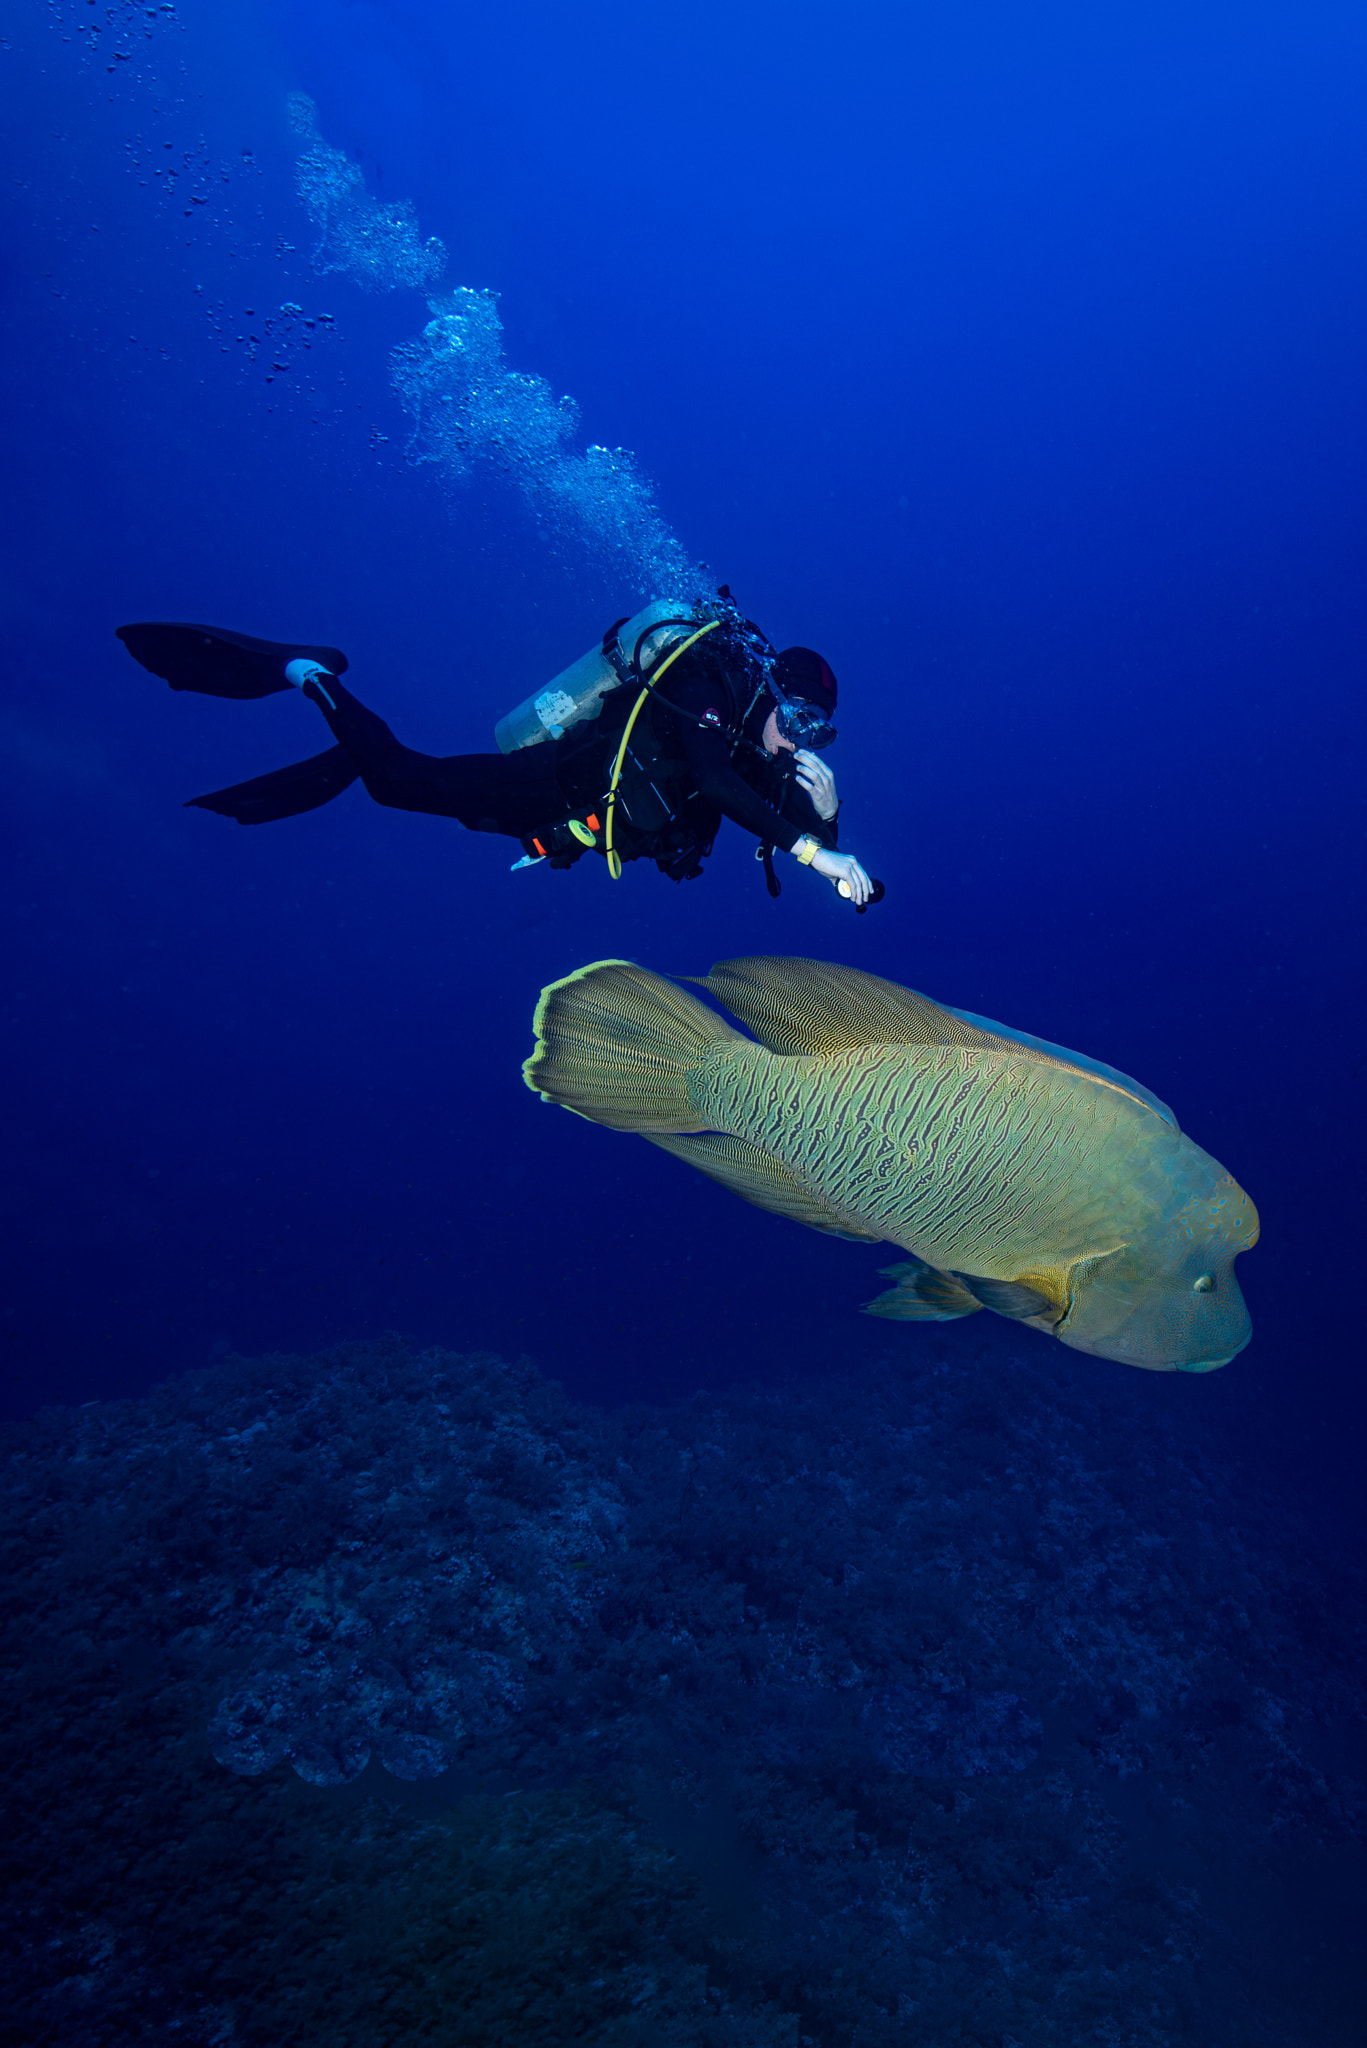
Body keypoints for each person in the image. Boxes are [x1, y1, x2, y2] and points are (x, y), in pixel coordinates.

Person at [115, 595, 876, 904]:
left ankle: (359, 752)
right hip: (545, 779)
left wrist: (829, 821)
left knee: (423, 788)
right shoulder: (711, 685)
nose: (798, 740)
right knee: (396, 782)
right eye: (798, 718)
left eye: (816, 732)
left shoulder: (752, 741)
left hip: (558, 819)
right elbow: (709, 782)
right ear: (770, 690)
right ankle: (308, 671)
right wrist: (819, 852)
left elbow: (766, 823)